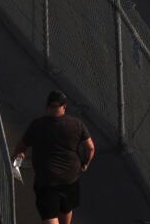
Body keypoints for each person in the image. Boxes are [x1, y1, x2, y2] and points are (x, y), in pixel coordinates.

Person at [12, 91, 93, 224]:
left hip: (47, 180)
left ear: (47, 107)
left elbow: (21, 147)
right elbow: (90, 148)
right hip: (70, 178)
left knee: (49, 215)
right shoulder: (77, 124)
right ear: (64, 107)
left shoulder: (37, 125)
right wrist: (85, 164)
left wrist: (18, 156)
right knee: (66, 209)